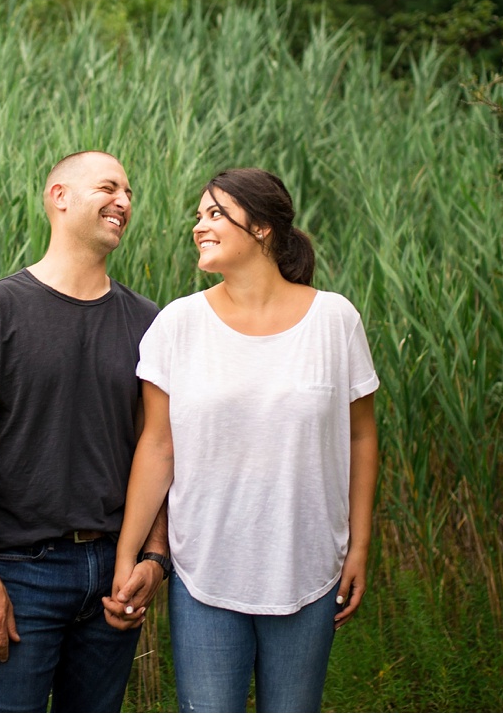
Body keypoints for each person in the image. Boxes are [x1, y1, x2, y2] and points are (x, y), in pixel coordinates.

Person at [111, 167, 380, 713]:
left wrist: (360, 546)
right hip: (203, 572)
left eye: (215, 214)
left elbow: (362, 436)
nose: (198, 227)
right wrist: (126, 554)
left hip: (307, 569)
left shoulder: (335, 319)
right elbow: (158, 448)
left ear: (260, 228)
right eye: (198, 216)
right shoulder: (177, 325)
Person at [0, 150, 171, 712]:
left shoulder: (149, 321)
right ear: (59, 196)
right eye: (109, 187)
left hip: (114, 574)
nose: (124, 201)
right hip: (20, 575)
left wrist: (154, 556)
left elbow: (159, 446)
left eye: (130, 193)